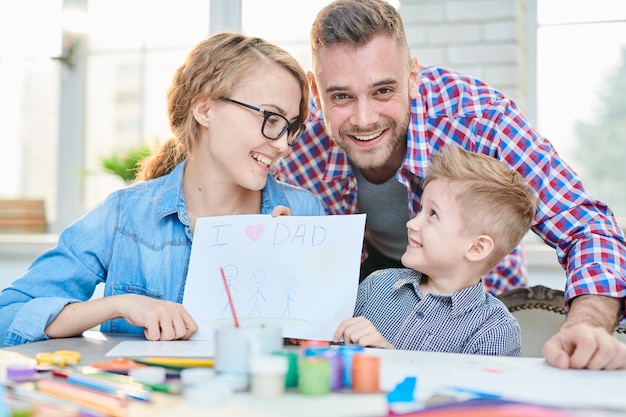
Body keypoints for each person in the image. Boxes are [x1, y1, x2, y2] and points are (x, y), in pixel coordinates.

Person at [274, 0, 626, 369]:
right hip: (370, 305)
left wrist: (587, 325)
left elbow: (588, 227)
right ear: (315, 92)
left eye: (382, 91)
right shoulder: (293, 141)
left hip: (472, 310)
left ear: (413, 77)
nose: (364, 119)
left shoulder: (481, 120)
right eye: (341, 96)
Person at [0, 32, 325, 347]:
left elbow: (330, 341)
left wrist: (286, 265)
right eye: (271, 118)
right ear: (205, 109)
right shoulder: (124, 215)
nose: (283, 144)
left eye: (291, 126)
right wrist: (120, 305)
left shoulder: (305, 215)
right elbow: (8, 316)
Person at [333, 145, 538, 355]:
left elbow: (470, 388)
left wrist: (389, 356)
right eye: (421, 209)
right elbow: (331, 357)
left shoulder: (495, 330)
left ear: (476, 248)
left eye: (433, 215)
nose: (411, 223)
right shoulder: (375, 286)